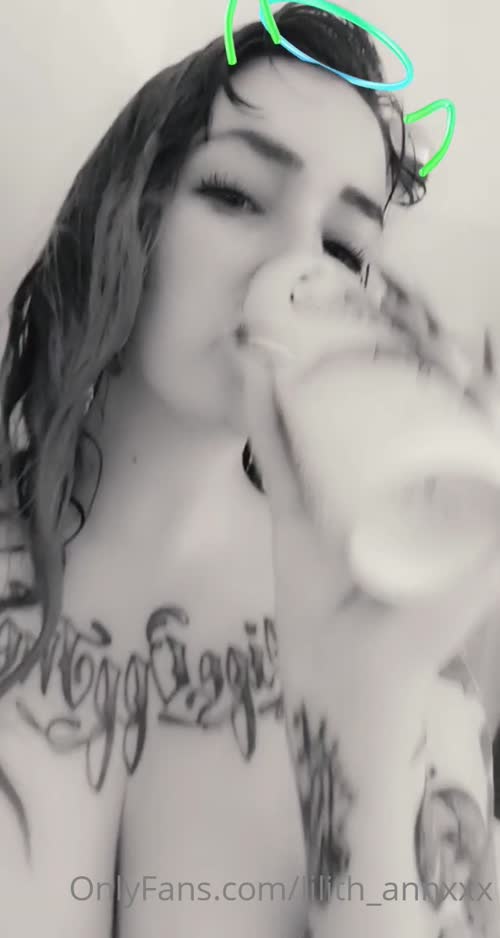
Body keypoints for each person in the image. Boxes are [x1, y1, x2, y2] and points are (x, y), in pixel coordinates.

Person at [0, 3, 499, 936]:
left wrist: (364, 725)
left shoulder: (394, 652)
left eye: (344, 247)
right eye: (235, 194)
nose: (297, 266)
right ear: (126, 206)